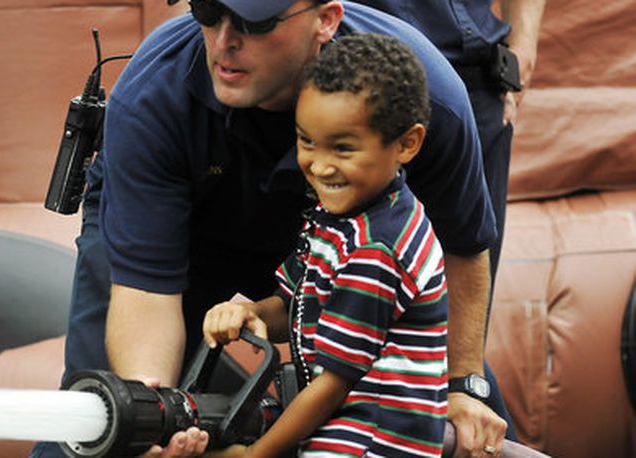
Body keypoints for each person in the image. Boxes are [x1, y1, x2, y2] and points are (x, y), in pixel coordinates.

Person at [31, 1, 500, 456]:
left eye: (254, 24)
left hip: (333, 237)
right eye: (207, 12)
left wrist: (463, 386)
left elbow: (461, 248)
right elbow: (147, 295)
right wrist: (151, 419)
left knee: (473, 426)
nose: (223, 40)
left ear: (325, 20)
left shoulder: (419, 96)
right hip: (182, 228)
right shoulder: (153, 94)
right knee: (101, 424)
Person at [201, 32, 448, 457]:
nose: (319, 164)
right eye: (306, 141)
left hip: (371, 442)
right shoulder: (340, 220)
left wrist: (256, 455)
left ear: (407, 144)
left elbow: (334, 384)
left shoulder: (377, 249)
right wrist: (247, 312)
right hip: (334, 426)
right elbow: (294, 303)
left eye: (343, 148)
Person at [351, 0, 548, 450]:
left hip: (471, 79)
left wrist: (523, 48)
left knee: (448, 329)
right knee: (386, 320)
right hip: (352, 91)